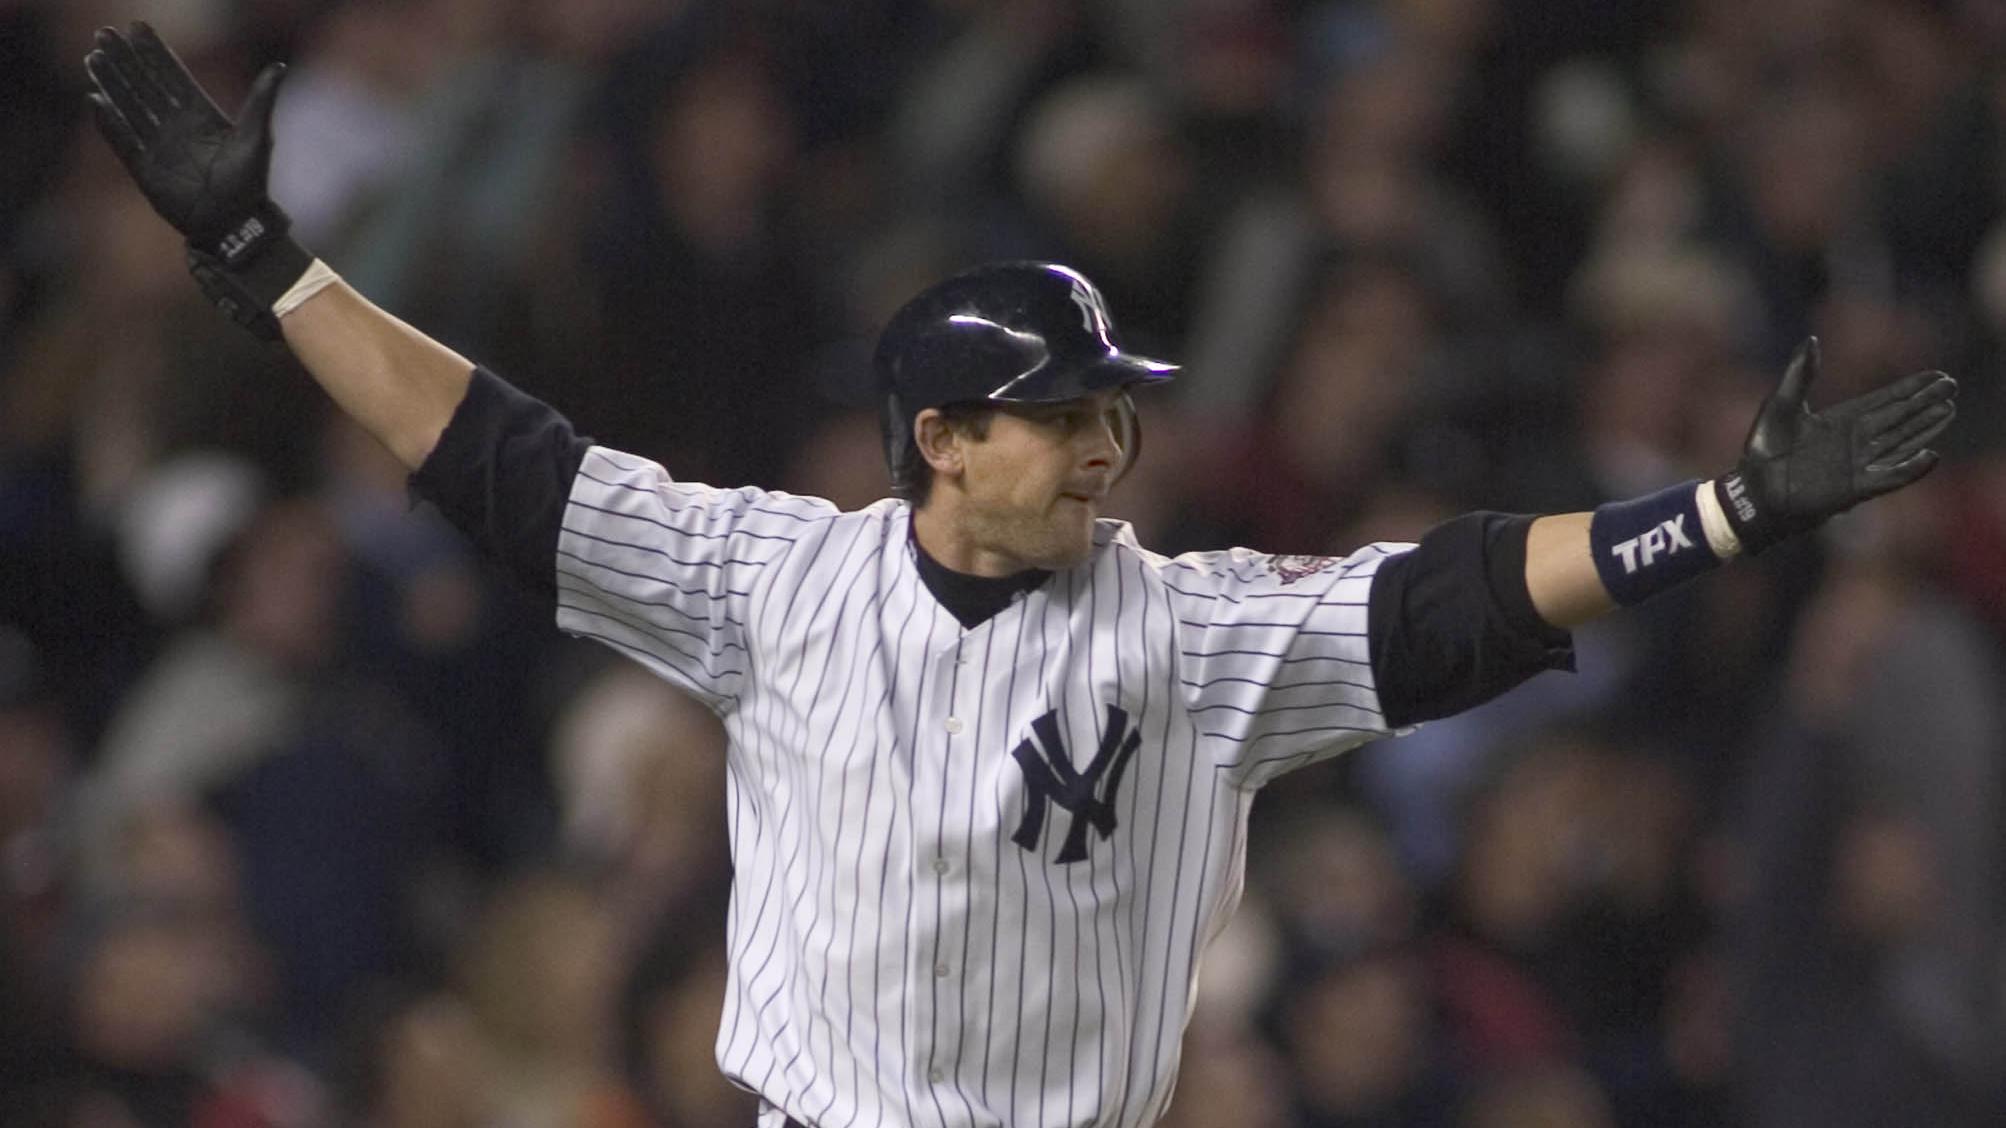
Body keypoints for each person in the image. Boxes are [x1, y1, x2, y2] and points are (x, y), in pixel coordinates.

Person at [82, 22, 1958, 1128]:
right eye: (1058, 416)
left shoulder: (1193, 633)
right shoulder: (771, 581)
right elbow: (502, 459)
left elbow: (1449, 599)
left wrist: (1717, 517)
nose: (1102, 446)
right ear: (942, 439)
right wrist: (269, 264)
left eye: (1108, 411)